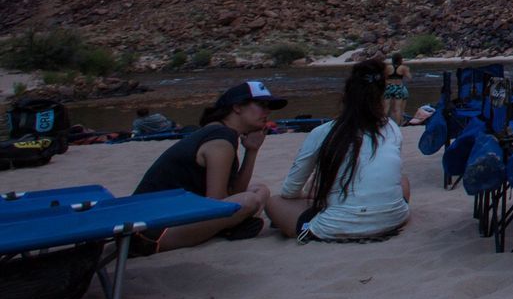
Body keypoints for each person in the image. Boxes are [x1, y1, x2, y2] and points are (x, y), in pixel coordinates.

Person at [129, 81, 284, 253]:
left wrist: (252, 151)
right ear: (237, 107)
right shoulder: (220, 140)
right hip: (150, 233)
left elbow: (232, 193)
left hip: (169, 218)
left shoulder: (219, 132)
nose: (268, 111)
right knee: (250, 200)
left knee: (260, 190)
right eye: (262, 105)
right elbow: (217, 204)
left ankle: (231, 227)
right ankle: (230, 228)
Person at [266, 58, 411, 243]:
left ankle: (315, 225)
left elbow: (290, 191)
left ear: (345, 97)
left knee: (274, 202)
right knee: (403, 181)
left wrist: (311, 194)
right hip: (394, 218)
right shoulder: (392, 128)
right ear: (382, 95)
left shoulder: (323, 132)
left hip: (336, 226)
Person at [385, 50, 412, 125]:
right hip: (398, 87)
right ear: (400, 59)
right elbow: (410, 79)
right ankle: (398, 124)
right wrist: (407, 71)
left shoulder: (388, 67)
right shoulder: (403, 68)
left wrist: (388, 83)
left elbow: (383, 78)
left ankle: (382, 123)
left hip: (389, 87)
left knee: (386, 107)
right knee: (397, 108)